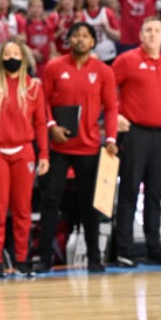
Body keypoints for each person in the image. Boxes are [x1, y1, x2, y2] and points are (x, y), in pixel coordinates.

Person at [38, 22, 119, 273]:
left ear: (93, 42)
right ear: (69, 40)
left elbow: (112, 107)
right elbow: (43, 103)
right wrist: (51, 126)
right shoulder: (53, 67)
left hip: (89, 147)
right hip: (59, 146)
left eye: (85, 36)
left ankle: (94, 259)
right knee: (51, 201)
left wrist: (112, 139)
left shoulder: (103, 71)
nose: (80, 40)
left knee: (90, 204)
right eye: (76, 35)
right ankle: (44, 258)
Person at [110, 17, 161, 268]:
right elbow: (107, 89)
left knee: (155, 194)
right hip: (135, 134)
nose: (153, 34)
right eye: (148, 30)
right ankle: (124, 250)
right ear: (141, 35)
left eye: (157, 31)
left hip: (159, 136)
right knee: (130, 191)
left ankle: (154, 247)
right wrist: (115, 116)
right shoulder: (127, 60)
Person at [0, 40, 48, 277]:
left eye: (16, 53)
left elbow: (41, 123)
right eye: (7, 53)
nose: (12, 56)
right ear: (1, 58)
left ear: (23, 57)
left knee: (23, 209)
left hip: (23, 151)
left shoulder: (34, 87)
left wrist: (44, 153)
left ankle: (22, 259)